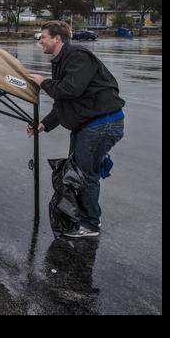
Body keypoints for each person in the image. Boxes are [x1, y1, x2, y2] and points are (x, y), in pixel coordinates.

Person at [27, 20, 125, 238]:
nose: (39, 41)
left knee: (85, 175)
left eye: (42, 36)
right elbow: (64, 101)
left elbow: (70, 89)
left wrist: (43, 83)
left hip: (102, 123)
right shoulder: (62, 60)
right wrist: (44, 124)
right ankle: (85, 217)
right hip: (89, 125)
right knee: (78, 173)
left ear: (57, 38)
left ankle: (90, 224)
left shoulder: (78, 56)